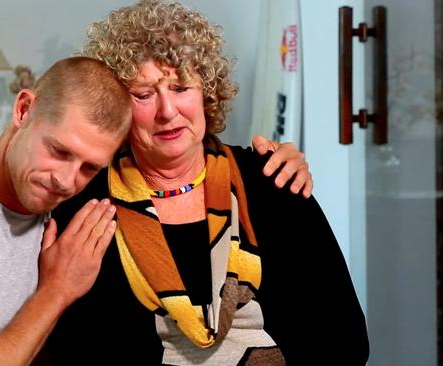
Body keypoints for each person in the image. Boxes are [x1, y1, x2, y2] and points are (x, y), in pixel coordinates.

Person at [0, 55, 310, 365]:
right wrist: (56, 289)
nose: (65, 179)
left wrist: (274, 165)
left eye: (87, 167)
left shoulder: (63, 207)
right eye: (58, 151)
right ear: (23, 111)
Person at [47, 1, 369, 365]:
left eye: (181, 86)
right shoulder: (85, 208)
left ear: (207, 93)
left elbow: (346, 341)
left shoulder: (273, 180)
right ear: (116, 106)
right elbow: (69, 350)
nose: (168, 111)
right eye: (144, 94)